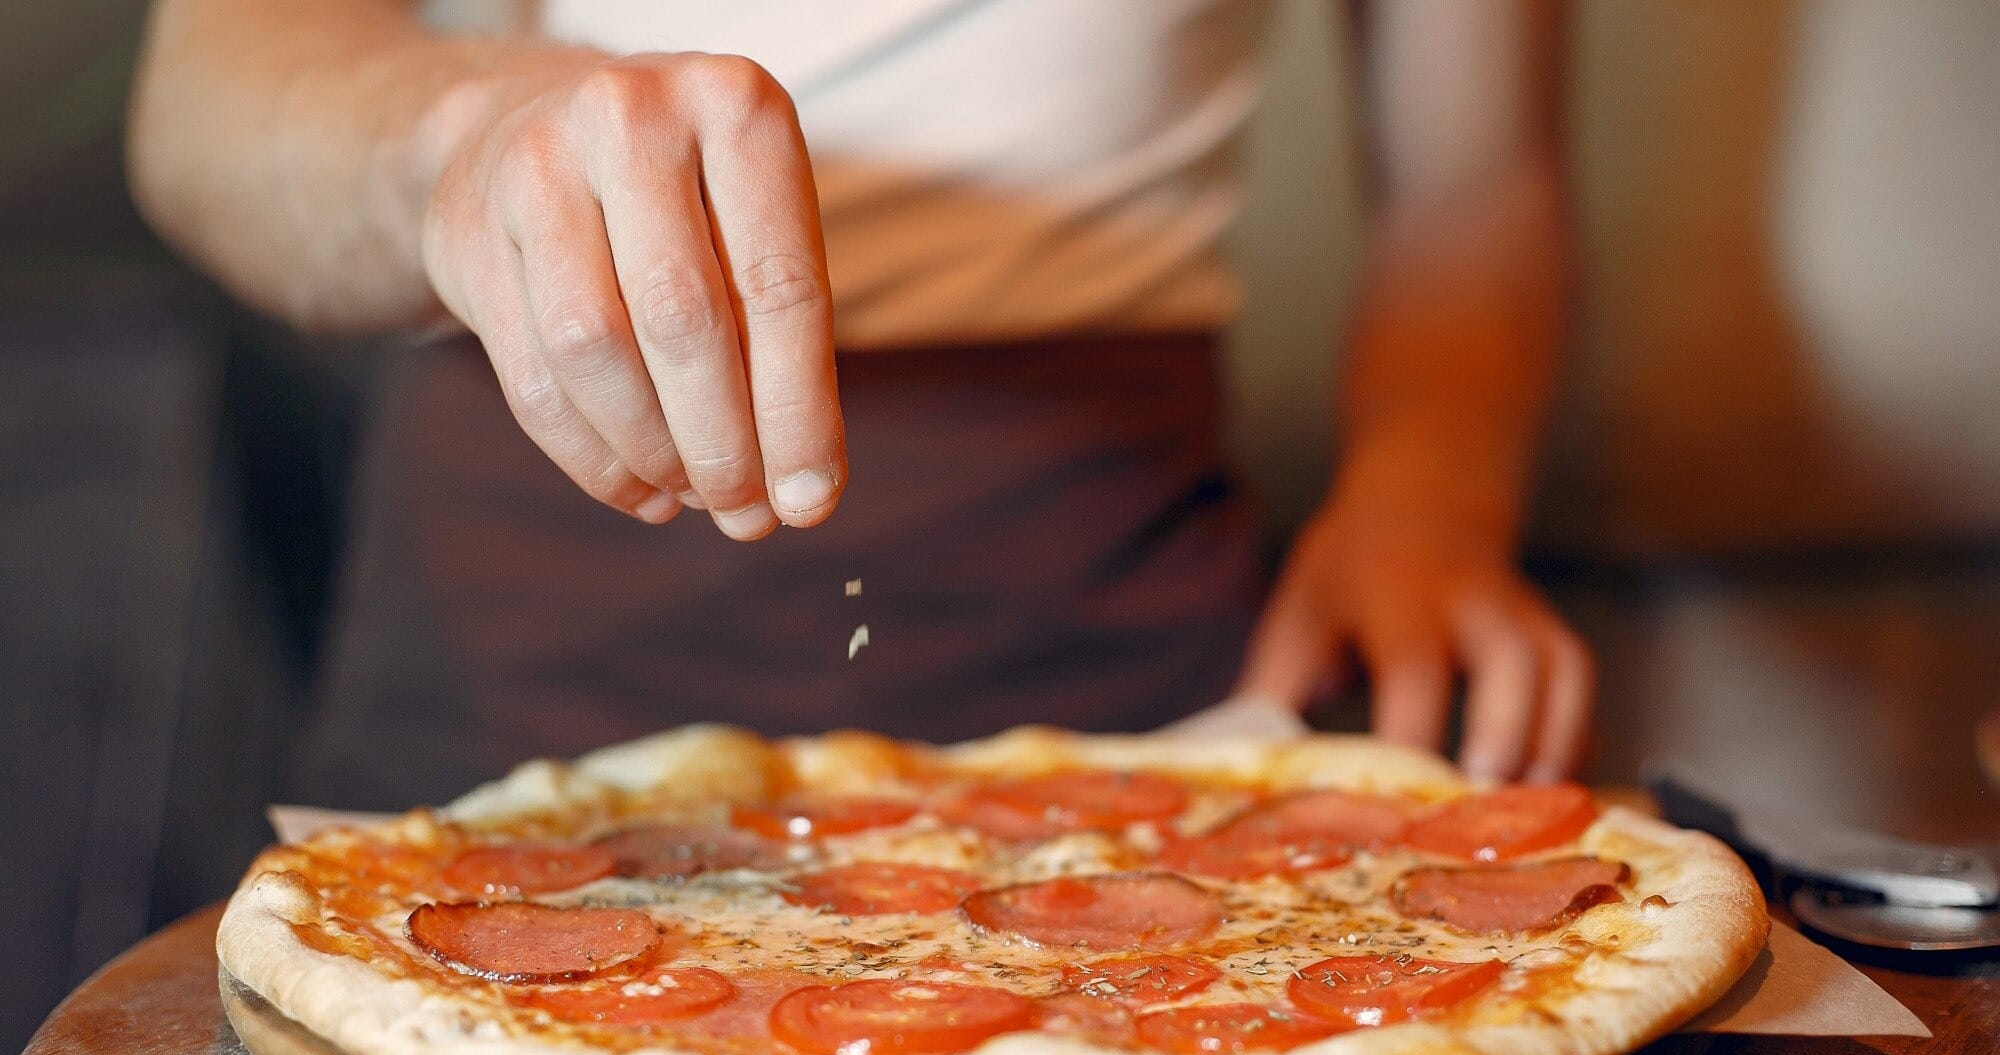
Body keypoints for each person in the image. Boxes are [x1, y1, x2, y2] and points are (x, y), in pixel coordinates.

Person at [127, 0, 1589, 809]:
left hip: (1124, 687)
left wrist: (1428, 493)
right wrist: (465, 134)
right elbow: (205, 98)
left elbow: (1474, 184)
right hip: (507, 658)